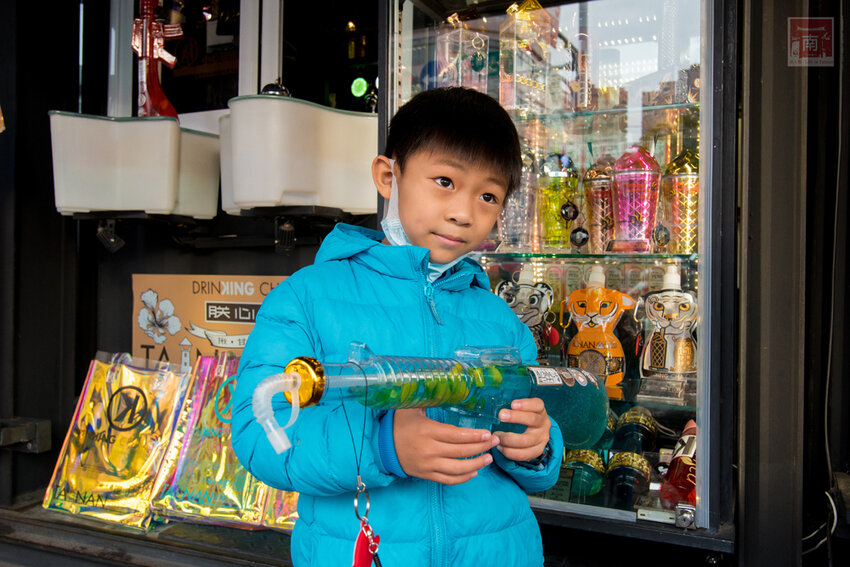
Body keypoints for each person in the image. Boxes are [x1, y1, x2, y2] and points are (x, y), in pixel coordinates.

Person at [231, 86, 564, 566]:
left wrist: (535, 446)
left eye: (488, 195)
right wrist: (383, 447)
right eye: (445, 181)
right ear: (389, 175)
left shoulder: (499, 318)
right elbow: (257, 431)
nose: (464, 212)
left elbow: (533, 431)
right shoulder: (306, 297)